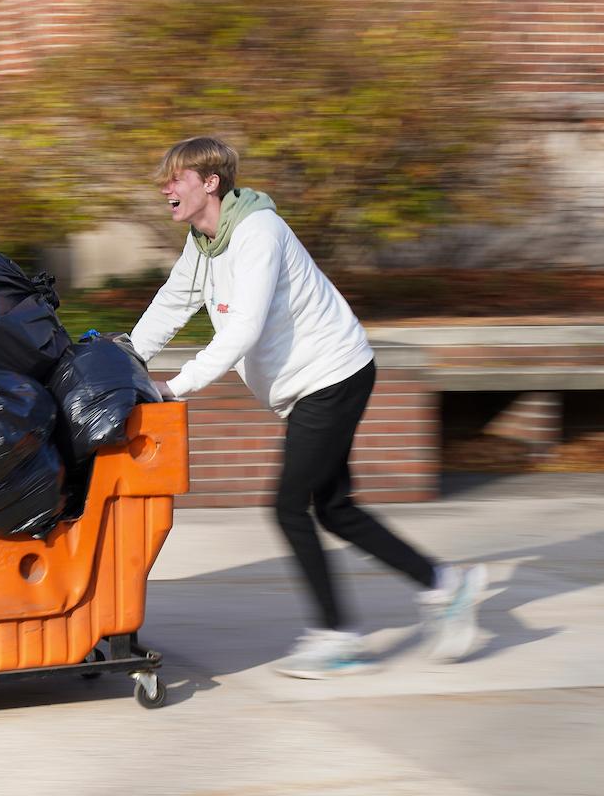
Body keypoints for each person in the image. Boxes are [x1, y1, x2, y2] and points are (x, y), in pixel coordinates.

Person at [130, 137, 487, 679]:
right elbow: (174, 302)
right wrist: (128, 358)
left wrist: (174, 387)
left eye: (175, 177)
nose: (165, 187)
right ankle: (446, 586)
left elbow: (244, 328)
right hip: (310, 385)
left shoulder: (258, 232)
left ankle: (337, 636)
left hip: (332, 376)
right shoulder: (204, 245)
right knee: (336, 508)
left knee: (289, 506)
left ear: (210, 183)